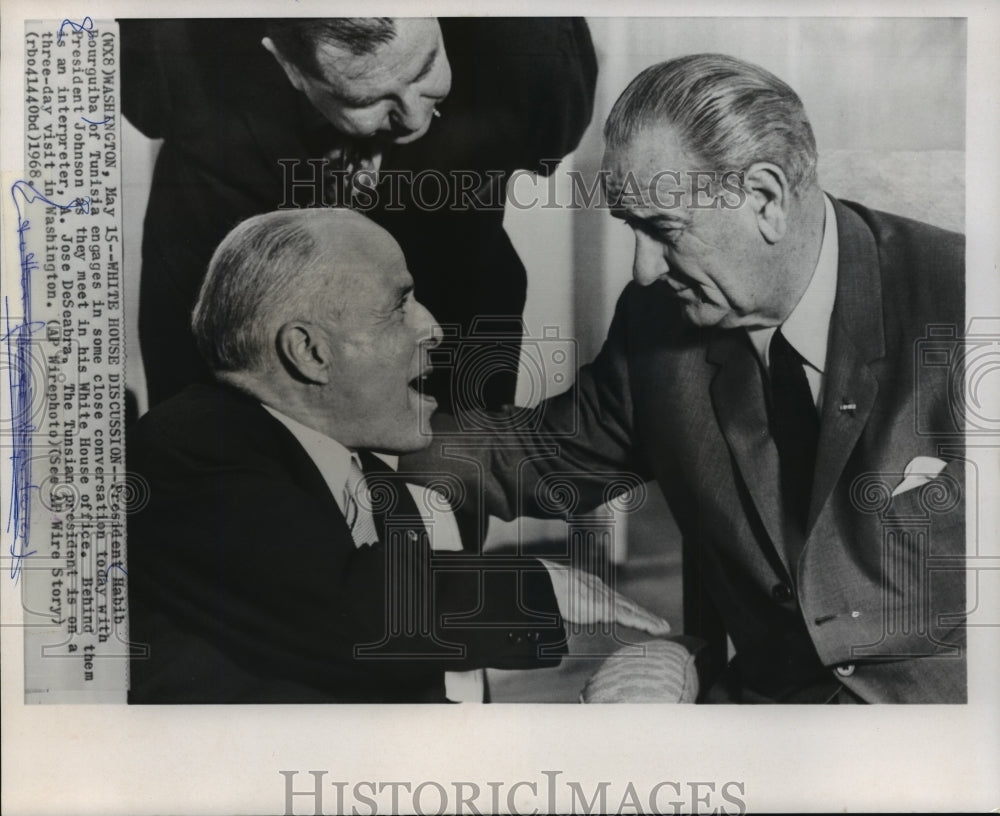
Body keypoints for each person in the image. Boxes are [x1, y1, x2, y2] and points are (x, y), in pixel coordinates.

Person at [407, 53, 967, 703]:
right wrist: (334, 429)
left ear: (764, 198)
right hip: (768, 714)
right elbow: (535, 455)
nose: (644, 270)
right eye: (631, 230)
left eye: (662, 230)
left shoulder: (964, 301)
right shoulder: (659, 323)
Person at [126, 208, 669, 704]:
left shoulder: (350, 464)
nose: (431, 327)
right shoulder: (193, 445)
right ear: (309, 351)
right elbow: (343, 606)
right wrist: (539, 585)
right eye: (398, 306)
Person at [120, 17, 597, 409]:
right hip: (219, 286)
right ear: (289, 66)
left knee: (440, 497)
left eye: (425, 67)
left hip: (455, 303)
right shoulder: (177, 50)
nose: (412, 117)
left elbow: (548, 137)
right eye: (366, 100)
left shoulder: (531, 45)